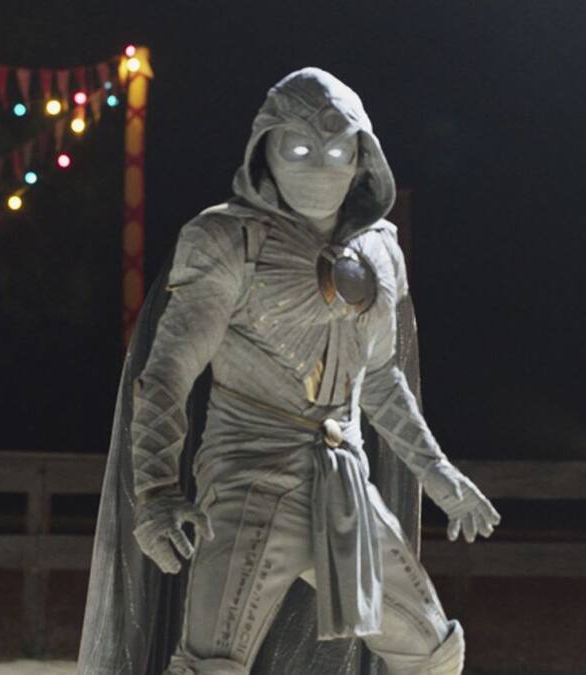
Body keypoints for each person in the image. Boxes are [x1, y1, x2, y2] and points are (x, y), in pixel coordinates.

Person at [78, 67, 500, 675]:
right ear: (266, 152)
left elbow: (380, 379)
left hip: (345, 488)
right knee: (210, 666)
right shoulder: (227, 241)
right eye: (299, 148)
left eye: (338, 149)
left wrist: (439, 475)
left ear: (363, 158)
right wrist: (156, 493)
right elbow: (168, 372)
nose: (320, 166)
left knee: (431, 652)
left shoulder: (379, 249)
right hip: (248, 483)